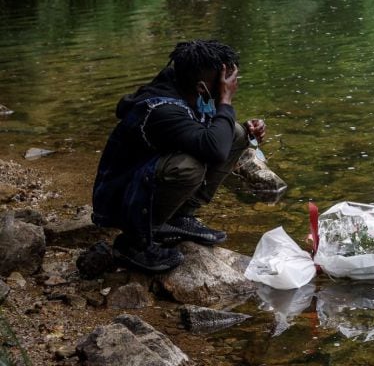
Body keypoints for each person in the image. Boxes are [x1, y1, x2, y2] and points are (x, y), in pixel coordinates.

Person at [91, 40, 267, 272]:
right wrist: (225, 101)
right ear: (203, 87)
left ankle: (177, 217)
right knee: (188, 166)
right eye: (225, 81)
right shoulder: (161, 109)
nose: (232, 84)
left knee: (235, 133)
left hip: (141, 183)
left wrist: (245, 129)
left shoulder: (183, 84)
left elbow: (209, 133)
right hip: (119, 201)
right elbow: (214, 150)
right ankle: (133, 243)